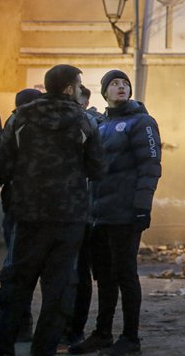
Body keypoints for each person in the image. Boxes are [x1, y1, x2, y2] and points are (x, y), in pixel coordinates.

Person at [0, 65, 103, 356]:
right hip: (69, 217)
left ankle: (4, 345)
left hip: (28, 215)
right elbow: (97, 168)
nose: (81, 91)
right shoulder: (84, 121)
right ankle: (43, 350)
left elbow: (2, 167)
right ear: (69, 88)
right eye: (79, 85)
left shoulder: (20, 117)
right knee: (58, 290)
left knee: (17, 285)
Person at [70, 70, 161, 356]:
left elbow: (150, 168)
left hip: (125, 213)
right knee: (104, 277)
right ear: (104, 92)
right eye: (114, 84)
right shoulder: (100, 125)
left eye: (125, 84)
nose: (121, 87)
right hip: (99, 214)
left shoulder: (142, 122)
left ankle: (130, 338)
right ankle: (102, 333)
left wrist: (141, 208)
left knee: (125, 274)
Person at [0, 88, 44, 345]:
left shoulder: (14, 123)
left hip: (19, 207)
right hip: (48, 210)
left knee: (16, 269)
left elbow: (2, 164)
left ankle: (18, 327)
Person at [65, 85, 104, 347]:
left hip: (87, 214)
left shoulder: (93, 126)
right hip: (68, 210)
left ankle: (75, 330)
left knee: (80, 274)